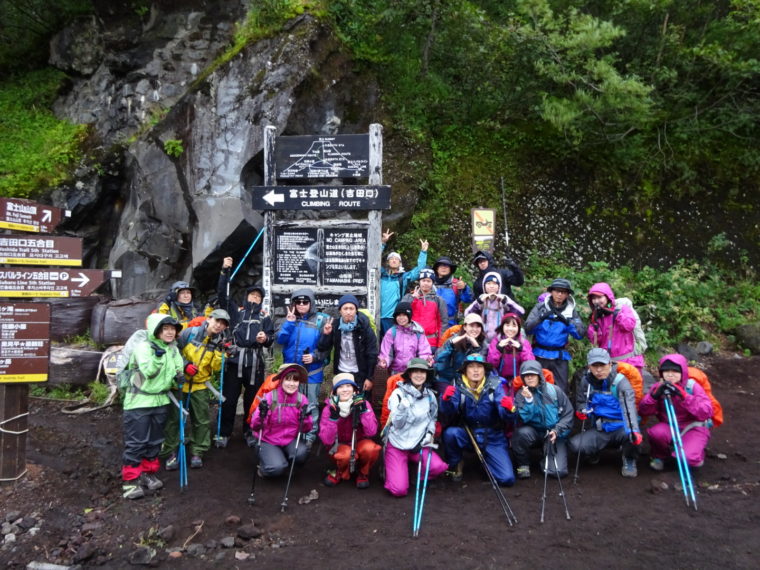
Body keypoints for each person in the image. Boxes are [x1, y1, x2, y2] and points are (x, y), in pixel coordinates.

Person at [121, 314, 184, 499]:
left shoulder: (173, 349)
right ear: (157, 330)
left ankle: (148, 474)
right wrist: (157, 356)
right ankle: (131, 482)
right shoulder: (143, 347)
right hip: (139, 402)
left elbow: (176, 369)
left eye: (173, 329)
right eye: (166, 329)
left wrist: (179, 376)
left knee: (155, 441)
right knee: (136, 443)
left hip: (161, 400)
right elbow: (148, 372)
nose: (170, 332)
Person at [216, 257, 275, 447]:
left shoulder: (265, 318)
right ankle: (224, 433)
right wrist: (225, 271)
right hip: (234, 362)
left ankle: (250, 432)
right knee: (229, 400)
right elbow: (223, 296)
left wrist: (264, 339)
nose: (255, 299)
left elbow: (271, 338)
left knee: (252, 400)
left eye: (258, 297)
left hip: (255, 364)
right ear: (246, 297)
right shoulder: (236, 313)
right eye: (252, 295)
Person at [161, 309, 230, 470]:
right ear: (209, 319)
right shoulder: (189, 334)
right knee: (173, 420)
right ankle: (170, 453)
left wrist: (222, 353)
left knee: (201, 420)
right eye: (217, 321)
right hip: (179, 384)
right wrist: (185, 365)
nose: (219, 326)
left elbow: (215, 368)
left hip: (200, 386)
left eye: (223, 324)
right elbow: (173, 350)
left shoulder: (219, 341)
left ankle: (197, 451)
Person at [439, 353, 516, 485]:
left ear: (485, 370)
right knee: (450, 434)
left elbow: (505, 414)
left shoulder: (495, 385)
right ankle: (456, 463)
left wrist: (509, 410)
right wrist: (445, 400)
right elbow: (448, 411)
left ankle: (487, 462)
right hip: (469, 434)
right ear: (465, 370)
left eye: (479, 367)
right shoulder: (458, 385)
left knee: (507, 479)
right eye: (471, 367)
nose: (475, 370)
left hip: (493, 436)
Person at [569, 348, 643, 478]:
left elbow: (629, 408)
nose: (598, 370)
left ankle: (629, 459)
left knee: (634, 437)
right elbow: (581, 401)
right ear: (589, 366)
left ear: (610, 364)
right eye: (594, 366)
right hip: (600, 428)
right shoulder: (586, 382)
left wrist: (633, 430)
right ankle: (594, 452)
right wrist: (581, 410)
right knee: (575, 445)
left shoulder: (621, 382)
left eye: (602, 365)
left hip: (621, 428)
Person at [383, 359, 448, 497]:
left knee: (438, 467)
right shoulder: (398, 394)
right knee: (399, 490)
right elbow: (398, 424)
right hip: (397, 444)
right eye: (415, 371)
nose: (419, 375)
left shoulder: (430, 396)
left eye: (422, 372)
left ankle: (415, 475)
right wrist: (402, 408)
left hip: (418, 445)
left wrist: (429, 434)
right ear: (409, 374)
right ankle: (394, 470)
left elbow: (432, 418)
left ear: (427, 375)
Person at [638, 354, 713, 470]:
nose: (670, 374)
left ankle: (695, 453)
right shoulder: (659, 387)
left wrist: (684, 396)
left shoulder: (692, 387)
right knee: (656, 433)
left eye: (675, 371)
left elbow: (706, 412)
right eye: (666, 370)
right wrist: (653, 397)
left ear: (682, 372)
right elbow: (644, 411)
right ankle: (660, 456)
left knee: (687, 458)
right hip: (670, 426)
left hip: (693, 427)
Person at [276, 288, 328, 447]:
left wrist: (315, 356)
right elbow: (280, 340)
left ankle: (310, 436)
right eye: (297, 302)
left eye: (305, 302)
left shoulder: (320, 321)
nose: (301, 305)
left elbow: (326, 348)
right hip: (292, 373)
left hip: (313, 371)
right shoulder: (289, 320)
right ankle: (291, 433)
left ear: (311, 303)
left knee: (311, 405)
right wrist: (289, 323)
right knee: (290, 404)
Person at [512, 360, 574, 479]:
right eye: (526, 375)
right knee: (520, 434)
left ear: (539, 375)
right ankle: (523, 464)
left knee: (557, 472)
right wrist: (529, 401)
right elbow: (523, 418)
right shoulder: (521, 394)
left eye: (533, 374)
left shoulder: (555, 390)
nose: (529, 378)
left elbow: (568, 414)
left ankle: (546, 457)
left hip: (554, 434)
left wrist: (557, 430)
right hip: (534, 432)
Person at [249, 364, 312, 477]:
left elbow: (306, 429)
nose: (291, 384)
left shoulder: (301, 399)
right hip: (268, 439)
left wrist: (306, 418)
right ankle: (264, 468)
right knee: (276, 468)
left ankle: (280, 457)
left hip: (289, 439)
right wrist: (261, 414)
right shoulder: (269, 397)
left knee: (302, 453)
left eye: (295, 380)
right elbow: (255, 425)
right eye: (288, 379)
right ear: (281, 380)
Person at [319, 373, 381, 489]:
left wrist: (364, 412)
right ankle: (340, 471)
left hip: (359, 441)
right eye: (341, 387)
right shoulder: (329, 408)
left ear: (354, 390)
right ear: (335, 391)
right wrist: (333, 419)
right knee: (345, 454)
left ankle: (363, 472)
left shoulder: (363, 403)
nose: (345, 390)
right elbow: (326, 441)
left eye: (348, 386)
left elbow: (372, 432)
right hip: (340, 445)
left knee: (371, 449)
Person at [524, 278, 585, 393]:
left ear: (567, 294)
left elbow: (580, 334)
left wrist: (568, 322)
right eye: (557, 291)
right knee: (536, 387)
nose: (560, 294)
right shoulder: (540, 307)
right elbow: (528, 328)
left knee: (561, 389)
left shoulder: (571, 311)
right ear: (551, 292)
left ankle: (560, 410)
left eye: (563, 292)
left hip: (559, 357)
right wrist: (541, 318)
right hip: (539, 355)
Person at [318, 294, 379, 399]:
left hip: (360, 373)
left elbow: (372, 353)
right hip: (342, 370)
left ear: (356, 310)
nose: (348, 312)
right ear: (340, 311)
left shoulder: (364, 327)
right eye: (345, 308)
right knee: (342, 402)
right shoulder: (335, 325)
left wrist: (369, 378)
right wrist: (326, 335)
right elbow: (323, 347)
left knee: (361, 402)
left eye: (352, 308)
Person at [586, 282, 645, 372]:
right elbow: (595, 341)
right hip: (607, 364)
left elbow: (629, 326)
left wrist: (615, 313)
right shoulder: (598, 316)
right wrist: (594, 325)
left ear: (607, 297)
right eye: (594, 298)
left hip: (629, 361)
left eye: (599, 297)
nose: (596, 301)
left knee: (629, 386)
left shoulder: (621, 308)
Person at [380, 229, 429, 336]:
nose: (393, 260)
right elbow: (372, 260)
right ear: (387, 262)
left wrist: (423, 252)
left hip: (394, 317)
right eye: (391, 259)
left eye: (396, 259)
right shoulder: (380, 274)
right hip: (376, 315)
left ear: (400, 263)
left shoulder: (404, 277)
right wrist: (383, 243)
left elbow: (419, 270)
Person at [464, 271, 524, 344]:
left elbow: (520, 312)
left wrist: (505, 301)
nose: (491, 286)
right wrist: (479, 302)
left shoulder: (504, 298)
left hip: (500, 338)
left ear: (499, 286)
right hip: (482, 337)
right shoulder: (481, 299)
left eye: (494, 284)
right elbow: (467, 314)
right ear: (484, 286)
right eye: (488, 283)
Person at [434, 312, 488, 393]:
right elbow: (439, 359)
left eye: (478, 326)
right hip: (447, 378)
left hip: (469, 380)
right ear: (465, 327)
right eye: (472, 326)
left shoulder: (483, 343)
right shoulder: (454, 340)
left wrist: (476, 348)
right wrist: (450, 346)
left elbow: (481, 365)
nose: (475, 329)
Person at [377, 301, 433, 376]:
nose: (401, 318)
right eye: (398, 315)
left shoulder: (418, 332)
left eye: (404, 315)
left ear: (409, 316)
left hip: (413, 371)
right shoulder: (391, 332)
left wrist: (426, 360)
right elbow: (386, 353)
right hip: (395, 372)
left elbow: (424, 351)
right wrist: (385, 361)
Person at [401, 268, 448, 350]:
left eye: (428, 281)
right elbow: (400, 313)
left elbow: (443, 322)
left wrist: (441, 343)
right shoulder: (409, 297)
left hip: (431, 342)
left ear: (432, 283)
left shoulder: (438, 300)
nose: (426, 283)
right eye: (423, 280)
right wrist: (412, 298)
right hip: (410, 340)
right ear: (419, 282)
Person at [487, 313, 534, 382]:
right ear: (502, 327)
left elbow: (530, 364)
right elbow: (491, 364)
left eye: (514, 326)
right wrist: (498, 349)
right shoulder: (496, 341)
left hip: (519, 380)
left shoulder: (524, 342)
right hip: (499, 380)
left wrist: (521, 348)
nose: (510, 329)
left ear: (518, 328)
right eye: (507, 325)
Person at [432, 256, 473, 327]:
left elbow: (468, 299)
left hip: (451, 326)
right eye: (441, 265)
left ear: (450, 269)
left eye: (446, 266)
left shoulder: (457, 284)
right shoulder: (430, 284)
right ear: (437, 268)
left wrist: (465, 288)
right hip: (432, 325)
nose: (443, 268)